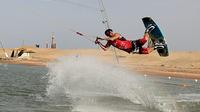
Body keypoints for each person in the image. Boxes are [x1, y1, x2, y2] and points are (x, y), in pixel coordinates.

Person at [95, 26, 164, 54]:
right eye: (109, 33)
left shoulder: (117, 35)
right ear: (107, 34)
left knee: (144, 40)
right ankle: (156, 46)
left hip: (132, 44)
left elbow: (112, 38)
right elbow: (105, 49)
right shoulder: (109, 42)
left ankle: (147, 30)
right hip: (131, 50)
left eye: (111, 31)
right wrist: (99, 43)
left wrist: (101, 38)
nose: (111, 33)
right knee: (147, 52)